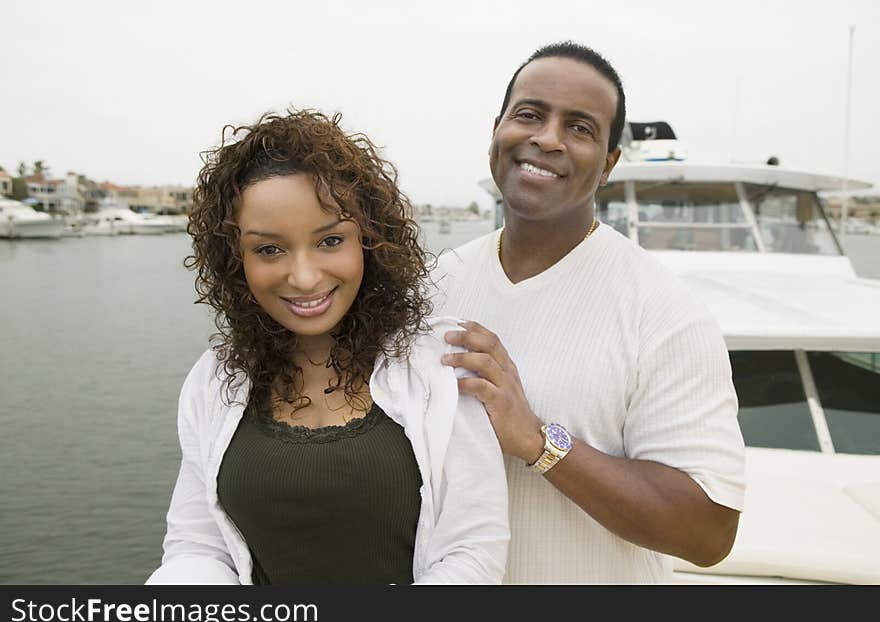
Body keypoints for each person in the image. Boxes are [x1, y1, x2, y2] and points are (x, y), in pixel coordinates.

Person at [146, 109, 508, 585]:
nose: (305, 277)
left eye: (330, 240)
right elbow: (197, 545)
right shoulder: (216, 378)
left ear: (369, 241)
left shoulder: (438, 363)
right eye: (269, 249)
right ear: (235, 260)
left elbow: (473, 552)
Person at [433, 42, 746, 583]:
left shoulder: (664, 312)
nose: (547, 138)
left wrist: (537, 440)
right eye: (529, 114)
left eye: (580, 128)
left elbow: (709, 533)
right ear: (496, 130)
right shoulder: (433, 284)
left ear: (608, 165)